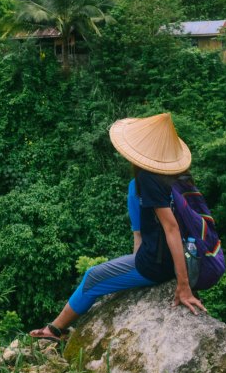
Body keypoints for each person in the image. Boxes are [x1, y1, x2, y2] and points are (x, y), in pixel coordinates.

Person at [28, 113, 207, 342]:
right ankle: (136, 259)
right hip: (181, 253)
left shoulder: (149, 179)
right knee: (133, 191)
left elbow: (171, 228)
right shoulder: (177, 176)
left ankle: (54, 330)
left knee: (92, 277)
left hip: (156, 264)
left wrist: (183, 286)